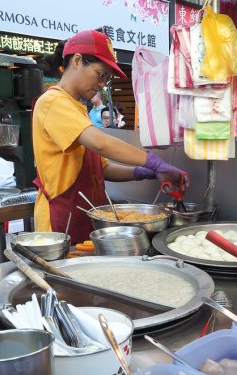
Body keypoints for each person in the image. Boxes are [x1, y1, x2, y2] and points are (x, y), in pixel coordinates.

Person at [32, 30, 189, 241]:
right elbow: (101, 144)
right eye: (101, 74)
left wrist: (144, 172)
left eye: (107, 78)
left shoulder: (78, 109)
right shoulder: (53, 102)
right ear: (77, 61)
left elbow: (103, 168)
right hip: (60, 221)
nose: (102, 84)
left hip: (85, 215)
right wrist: (154, 162)